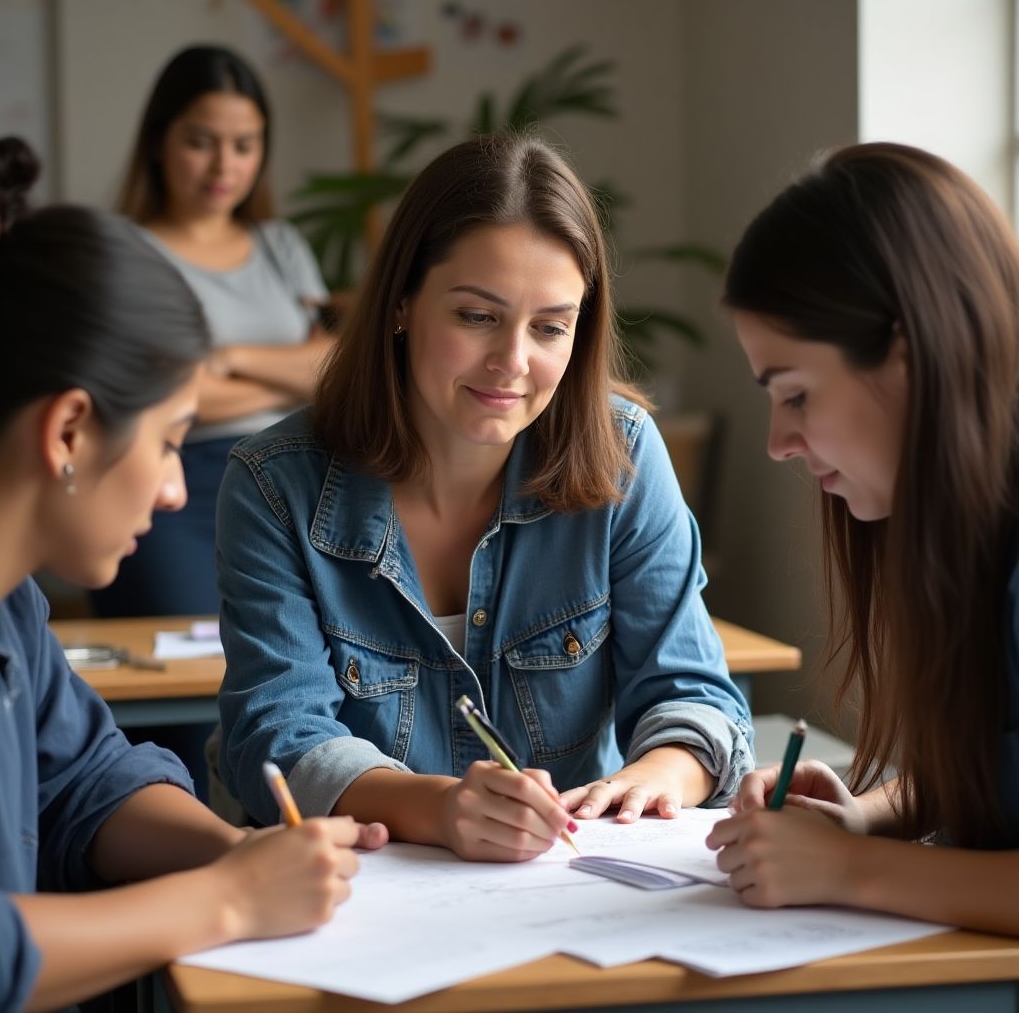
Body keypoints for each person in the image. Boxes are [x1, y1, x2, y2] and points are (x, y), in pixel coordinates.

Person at [214, 135, 753, 861]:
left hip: (565, 890)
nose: (512, 362)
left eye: (551, 327)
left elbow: (694, 695)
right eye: (476, 316)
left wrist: (658, 774)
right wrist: (438, 809)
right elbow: (277, 738)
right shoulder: (275, 481)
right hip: (357, 897)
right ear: (403, 303)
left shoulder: (623, 453)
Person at [0, 202, 386, 1013]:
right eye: (170, 440)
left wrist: (240, 852)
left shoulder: (15, 609)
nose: (176, 490)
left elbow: (86, 782)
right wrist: (228, 901)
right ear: (69, 432)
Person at [706, 142, 1019, 934]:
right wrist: (869, 817)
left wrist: (852, 869)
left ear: (907, 354)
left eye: (798, 395)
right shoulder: (971, 526)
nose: (778, 442)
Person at [93, 43, 334, 618]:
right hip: (176, 486)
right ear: (159, 141)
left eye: (244, 146)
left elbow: (338, 364)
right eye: (201, 142)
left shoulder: (281, 246)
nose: (225, 166)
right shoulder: (124, 251)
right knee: (190, 677)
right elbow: (154, 394)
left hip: (301, 480)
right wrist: (293, 375)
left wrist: (225, 358)